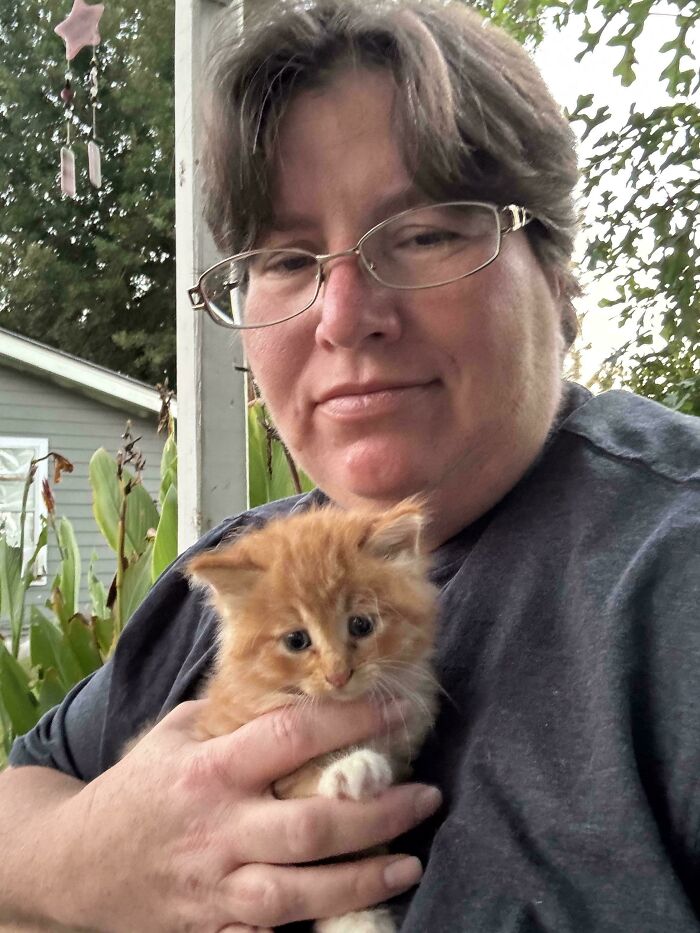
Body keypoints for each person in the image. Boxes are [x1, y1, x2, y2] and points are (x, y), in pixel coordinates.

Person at [2, 0, 699, 929]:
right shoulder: (236, 568)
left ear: (556, 268)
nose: (343, 316)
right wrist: (90, 856)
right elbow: (26, 789)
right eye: (288, 259)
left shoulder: (671, 574)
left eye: (421, 235)